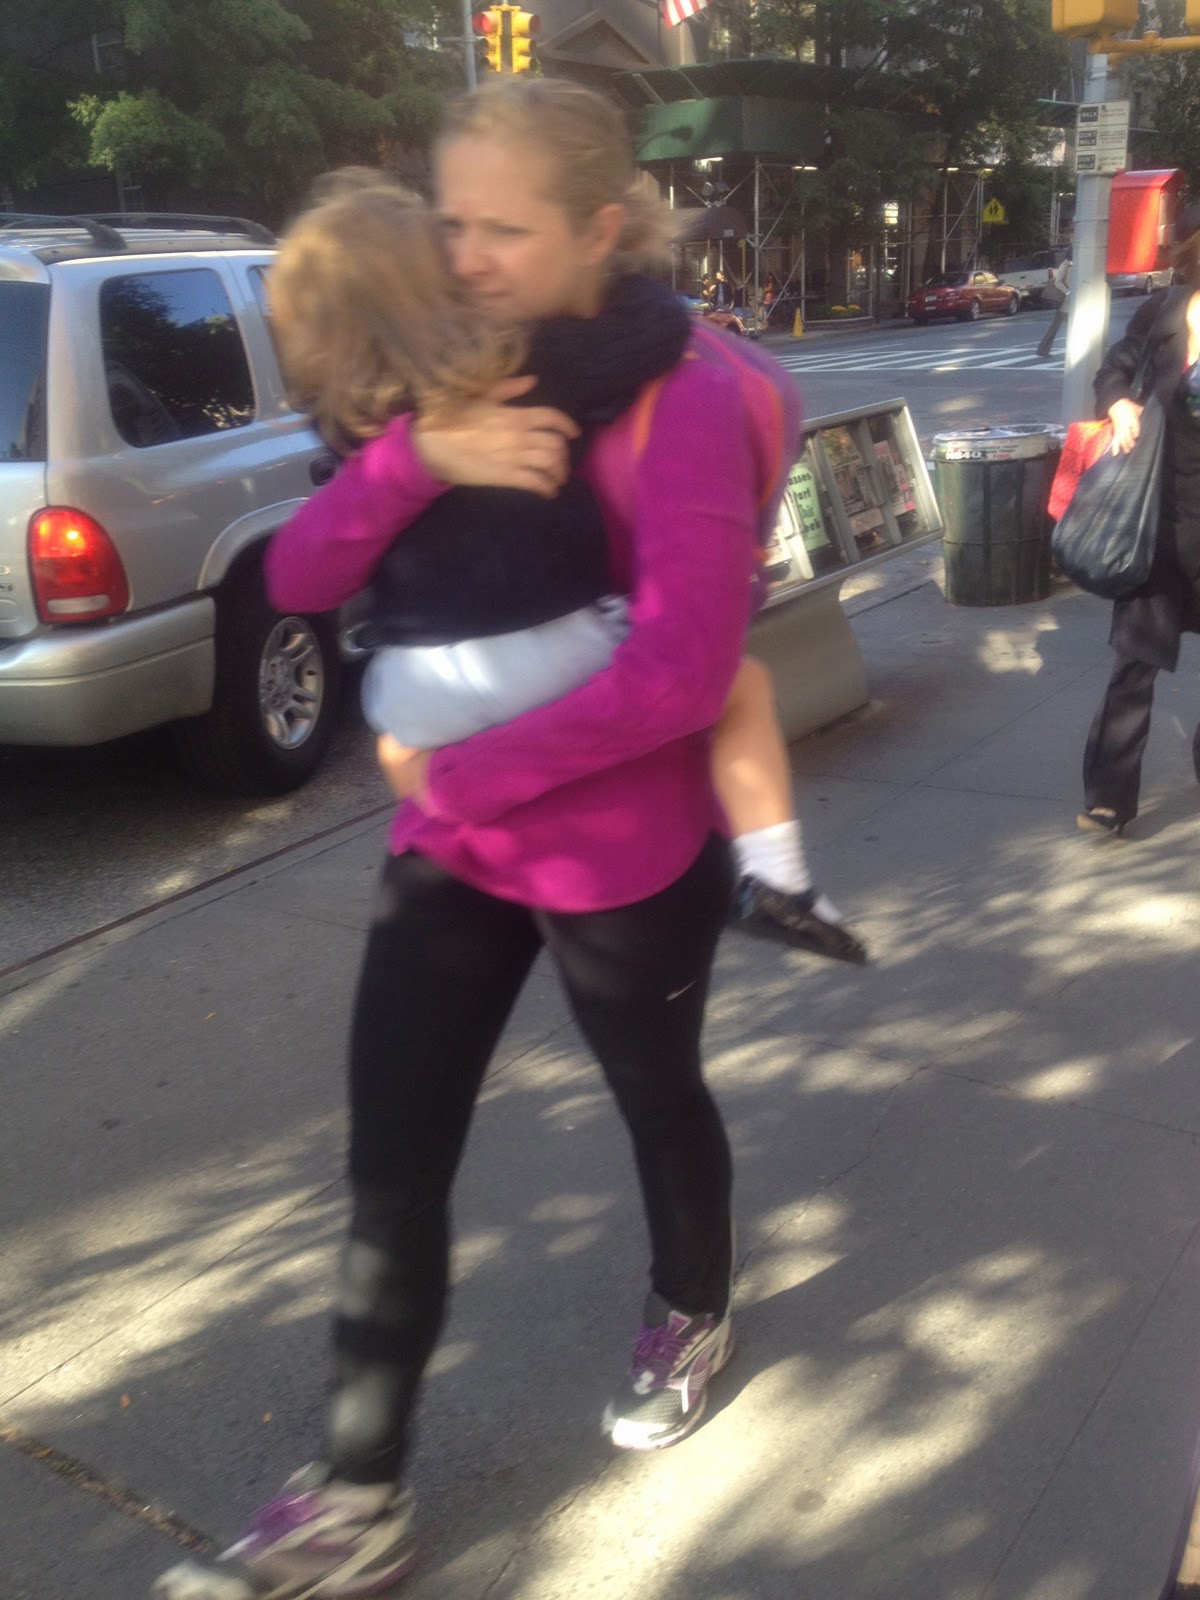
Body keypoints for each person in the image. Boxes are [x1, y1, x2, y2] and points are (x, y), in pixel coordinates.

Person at [151, 78, 850, 1600]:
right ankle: (357, 1496)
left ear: (599, 228)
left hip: (620, 852)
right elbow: (306, 575)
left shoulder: (684, 393)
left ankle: (692, 1306)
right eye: (449, 220)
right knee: (390, 1168)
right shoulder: (458, 365)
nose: (461, 256)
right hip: (457, 857)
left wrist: (457, 782)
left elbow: (682, 675)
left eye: (500, 230)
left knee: (658, 1098)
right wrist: (427, 459)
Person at [269, 174, 865, 964]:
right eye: (459, 238)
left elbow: (295, 581)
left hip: (416, 701)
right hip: (564, 702)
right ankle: (780, 876)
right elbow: (651, 334)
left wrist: (410, 457)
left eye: (499, 233)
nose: (476, 258)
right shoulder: (523, 369)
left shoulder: (357, 417)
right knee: (741, 684)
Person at [1078, 205, 1200, 836]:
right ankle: (1110, 796)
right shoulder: (1162, 313)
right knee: (1134, 661)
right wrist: (1119, 403)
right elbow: (1115, 369)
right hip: (1157, 520)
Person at [1036, 251, 1072, 360]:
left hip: (1071, 302)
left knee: (1056, 327)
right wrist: (1068, 292)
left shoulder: (1076, 265)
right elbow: (1057, 282)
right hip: (1065, 302)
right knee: (1061, 327)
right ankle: (1042, 349)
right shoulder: (1065, 265)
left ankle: (1042, 350)